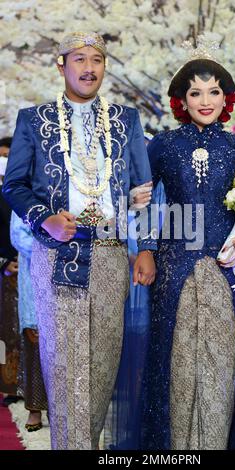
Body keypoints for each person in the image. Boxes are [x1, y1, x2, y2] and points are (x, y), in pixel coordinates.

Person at [3, 31, 156, 449]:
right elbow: (14, 185)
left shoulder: (126, 120)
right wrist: (45, 219)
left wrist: (145, 247)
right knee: (65, 365)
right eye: (80, 60)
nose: (89, 68)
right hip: (57, 255)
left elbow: (143, 191)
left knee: (102, 365)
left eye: (97, 60)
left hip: (109, 253)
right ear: (62, 64)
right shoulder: (33, 120)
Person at [139, 37, 235, 450]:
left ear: (226, 97)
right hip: (174, 265)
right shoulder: (162, 145)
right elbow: (145, 199)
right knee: (178, 361)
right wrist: (146, 248)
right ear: (182, 99)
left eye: (214, 91)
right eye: (195, 92)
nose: (205, 99)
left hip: (226, 267)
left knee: (222, 363)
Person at [10, 211, 48, 431]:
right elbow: (17, 235)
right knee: (35, 340)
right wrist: (48, 252)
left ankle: (58, 407)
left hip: (65, 272)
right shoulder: (25, 192)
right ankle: (34, 409)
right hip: (34, 270)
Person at [0, 136, 21, 407]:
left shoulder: (27, 191)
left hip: (25, 267)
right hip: (6, 266)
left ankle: (17, 385)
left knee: (17, 329)